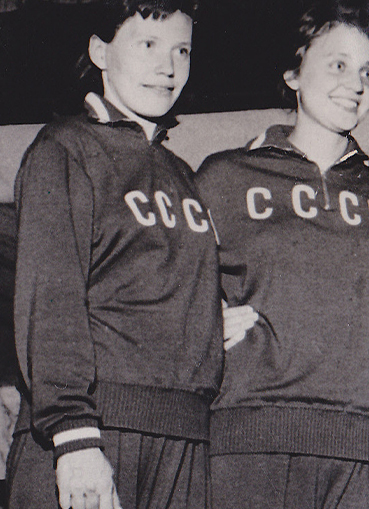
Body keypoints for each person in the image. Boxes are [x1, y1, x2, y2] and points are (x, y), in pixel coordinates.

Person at [6, 1, 220, 508]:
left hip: (181, 439)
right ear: (100, 51)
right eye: (148, 45)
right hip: (94, 432)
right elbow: (50, 301)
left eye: (182, 50)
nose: (168, 67)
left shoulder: (182, 174)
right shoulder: (66, 148)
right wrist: (74, 435)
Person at [193, 1, 369, 507]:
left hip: (368, 443)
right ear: (292, 73)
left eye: (367, 73)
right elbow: (162, 283)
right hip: (255, 437)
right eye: (337, 65)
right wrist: (198, 323)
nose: (355, 84)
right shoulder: (226, 176)